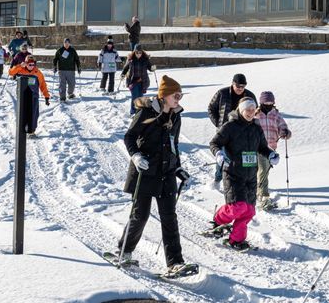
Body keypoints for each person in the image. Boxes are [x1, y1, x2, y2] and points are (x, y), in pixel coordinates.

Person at [117, 75, 192, 275]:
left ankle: (175, 262)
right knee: (140, 215)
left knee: (170, 217)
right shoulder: (146, 112)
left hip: (166, 172)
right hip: (145, 170)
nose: (179, 98)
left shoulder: (176, 116)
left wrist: (178, 168)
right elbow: (129, 136)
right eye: (176, 95)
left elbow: (173, 145)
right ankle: (124, 251)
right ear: (165, 95)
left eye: (180, 95)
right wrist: (135, 156)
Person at [208, 97, 278, 251]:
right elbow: (214, 143)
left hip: (250, 175)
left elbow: (262, 147)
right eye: (247, 109)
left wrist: (271, 155)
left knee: (249, 211)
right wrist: (218, 153)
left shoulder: (256, 127)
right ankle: (218, 221)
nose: (250, 113)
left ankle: (236, 240)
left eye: (253, 110)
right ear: (240, 110)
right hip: (233, 173)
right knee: (237, 207)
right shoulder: (230, 126)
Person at [207, 74, 257, 183]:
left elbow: (254, 112)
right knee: (223, 156)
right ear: (233, 83)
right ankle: (218, 178)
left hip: (243, 131)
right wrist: (218, 123)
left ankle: (245, 179)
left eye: (243, 86)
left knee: (243, 157)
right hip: (225, 131)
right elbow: (211, 108)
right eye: (238, 86)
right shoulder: (222, 93)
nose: (240, 89)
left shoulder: (249, 95)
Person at [254, 91, 292, 210]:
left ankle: (257, 189)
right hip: (256, 146)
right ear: (261, 102)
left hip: (271, 147)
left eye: (271, 102)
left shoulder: (275, 114)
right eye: (266, 102)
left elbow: (283, 126)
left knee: (264, 170)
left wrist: (285, 132)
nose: (269, 104)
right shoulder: (256, 114)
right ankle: (263, 196)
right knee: (263, 170)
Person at [8, 56, 50, 136]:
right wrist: (20, 66)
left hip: (33, 96)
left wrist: (46, 96)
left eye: (33, 64)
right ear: (26, 64)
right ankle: (22, 130)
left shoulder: (37, 72)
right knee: (23, 113)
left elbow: (43, 85)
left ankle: (31, 131)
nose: (31, 66)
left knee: (33, 113)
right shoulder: (20, 70)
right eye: (29, 64)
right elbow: (11, 72)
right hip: (22, 95)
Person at [121, 45, 155, 115]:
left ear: (142, 52)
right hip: (133, 81)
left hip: (142, 81)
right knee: (135, 96)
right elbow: (126, 68)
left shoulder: (145, 60)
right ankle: (133, 112)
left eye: (140, 52)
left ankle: (139, 111)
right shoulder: (130, 59)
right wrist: (123, 74)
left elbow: (150, 68)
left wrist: (152, 68)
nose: (138, 54)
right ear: (134, 52)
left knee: (140, 96)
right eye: (137, 52)